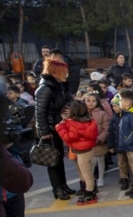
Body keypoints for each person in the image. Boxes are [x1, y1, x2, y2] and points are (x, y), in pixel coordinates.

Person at [35, 59, 74, 200]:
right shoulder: (45, 88)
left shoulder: (60, 86)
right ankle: (57, 189)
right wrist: (44, 132)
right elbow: (40, 112)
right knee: (52, 159)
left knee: (59, 158)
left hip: (60, 126)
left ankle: (63, 185)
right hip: (51, 129)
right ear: (54, 72)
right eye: (64, 72)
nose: (66, 74)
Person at [55, 101, 99, 205]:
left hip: (81, 150)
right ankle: (90, 190)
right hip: (88, 149)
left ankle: (89, 193)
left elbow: (69, 138)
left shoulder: (74, 124)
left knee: (86, 173)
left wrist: (60, 127)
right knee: (87, 172)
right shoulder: (89, 120)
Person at [83, 93, 111, 188]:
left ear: (97, 102)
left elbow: (106, 128)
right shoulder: (81, 114)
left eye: (93, 101)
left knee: (100, 160)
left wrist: (100, 138)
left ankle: (100, 178)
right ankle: (91, 179)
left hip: (99, 141)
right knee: (90, 161)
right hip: (87, 142)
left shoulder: (102, 113)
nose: (91, 103)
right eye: (88, 101)